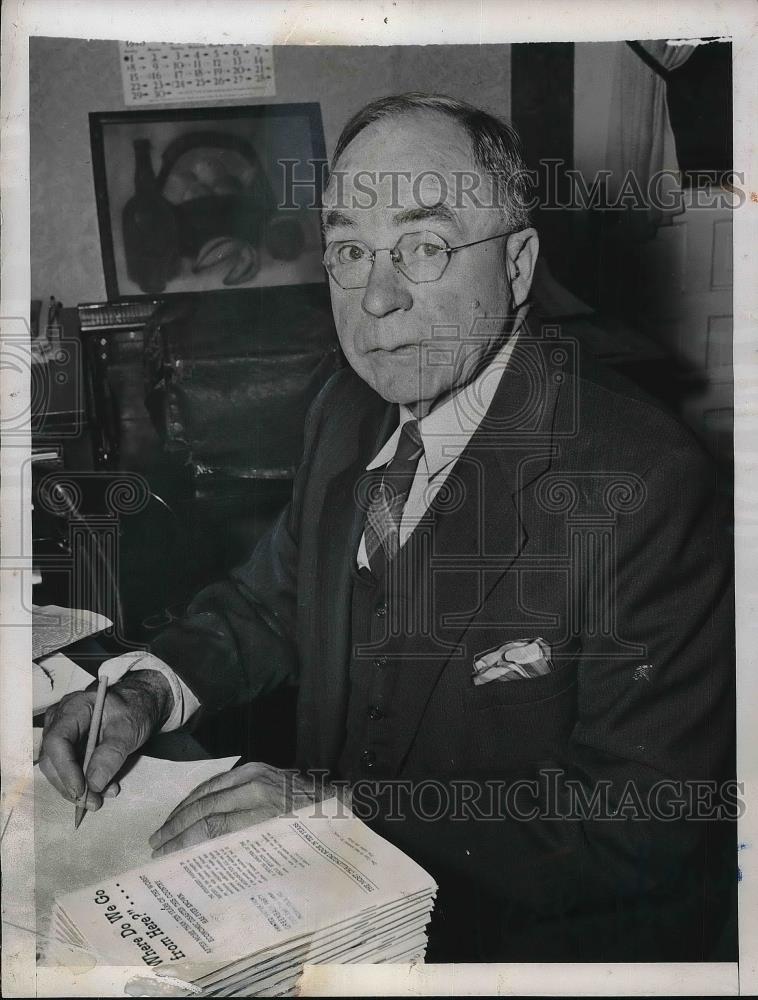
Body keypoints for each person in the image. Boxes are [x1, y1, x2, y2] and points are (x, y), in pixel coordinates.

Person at [41, 93, 734, 962]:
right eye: (349, 251)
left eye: (426, 246)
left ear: (517, 267)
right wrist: (146, 692)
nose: (376, 298)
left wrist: (339, 817)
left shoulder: (644, 480)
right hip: (316, 922)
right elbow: (269, 602)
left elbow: (643, 823)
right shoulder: (346, 410)